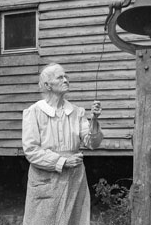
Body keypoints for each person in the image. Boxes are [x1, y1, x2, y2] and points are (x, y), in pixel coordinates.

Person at [22, 63, 103, 225]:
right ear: (47, 85)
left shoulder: (76, 112)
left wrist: (94, 120)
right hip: (46, 178)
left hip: (74, 177)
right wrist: (63, 161)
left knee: (74, 220)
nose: (66, 80)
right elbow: (31, 151)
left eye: (66, 76)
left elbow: (92, 143)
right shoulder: (34, 112)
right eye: (60, 77)